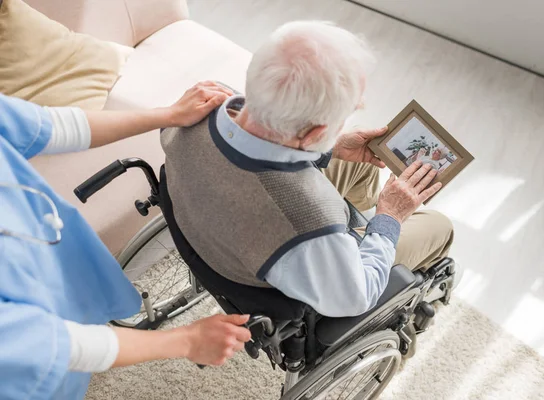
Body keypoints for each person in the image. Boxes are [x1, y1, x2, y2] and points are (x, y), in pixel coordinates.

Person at [161, 21, 455, 318]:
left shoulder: (198, 106)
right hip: (275, 248)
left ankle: (358, 224)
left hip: (218, 214)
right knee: (438, 226)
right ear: (312, 135)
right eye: (350, 111)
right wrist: (390, 216)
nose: (361, 104)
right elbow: (356, 297)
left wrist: (331, 146)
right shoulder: (309, 220)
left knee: (363, 170)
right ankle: (363, 237)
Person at [0, 82, 251, 400]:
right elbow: (51, 345)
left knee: (73, 355)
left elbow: (48, 126)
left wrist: (170, 114)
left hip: (45, 259)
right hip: (21, 371)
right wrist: (187, 341)